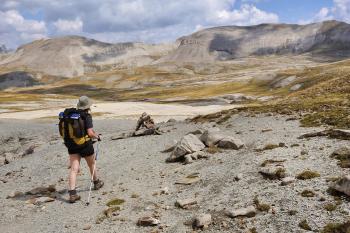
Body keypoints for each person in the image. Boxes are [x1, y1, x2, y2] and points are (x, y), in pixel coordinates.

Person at [60, 96, 104, 203]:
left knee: (74, 169)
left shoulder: (70, 115)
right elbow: (90, 133)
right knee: (92, 164)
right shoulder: (86, 116)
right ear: (88, 106)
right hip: (84, 145)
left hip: (71, 145)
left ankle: (72, 194)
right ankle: (96, 182)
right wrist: (97, 136)